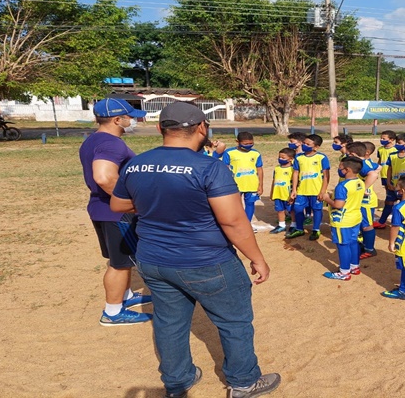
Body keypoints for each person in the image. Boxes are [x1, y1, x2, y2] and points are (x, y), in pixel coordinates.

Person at [110, 101, 280, 398]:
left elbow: (117, 204)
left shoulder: (136, 163)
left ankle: (177, 381)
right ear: (202, 127)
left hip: (153, 260)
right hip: (206, 260)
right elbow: (233, 222)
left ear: (161, 128)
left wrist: (154, 205)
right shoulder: (210, 166)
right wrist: (257, 259)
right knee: (234, 322)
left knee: (169, 322)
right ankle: (243, 383)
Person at [79, 98, 152, 326]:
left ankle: (126, 296)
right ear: (117, 120)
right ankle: (113, 312)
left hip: (102, 209)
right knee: (119, 263)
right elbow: (103, 176)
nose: (133, 120)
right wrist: (131, 203)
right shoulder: (112, 143)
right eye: (129, 116)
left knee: (120, 259)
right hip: (115, 213)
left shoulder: (93, 140)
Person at [321, 157, 366, 280]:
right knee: (353, 242)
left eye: (340, 168)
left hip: (342, 221)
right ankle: (354, 266)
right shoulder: (360, 182)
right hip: (355, 217)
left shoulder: (342, 186)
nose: (339, 170)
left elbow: (338, 205)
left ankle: (344, 272)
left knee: (343, 245)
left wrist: (327, 198)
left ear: (347, 170)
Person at [287, 134, 330, 240]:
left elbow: (326, 175)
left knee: (317, 209)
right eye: (304, 143)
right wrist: (294, 190)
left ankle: (316, 230)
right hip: (302, 190)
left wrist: (323, 191)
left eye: (308, 144)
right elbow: (296, 173)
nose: (304, 145)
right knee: (298, 209)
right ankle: (299, 229)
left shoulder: (322, 157)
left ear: (316, 147)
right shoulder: (299, 157)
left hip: (316, 190)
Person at [223, 132, 264, 229]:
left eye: (251, 143)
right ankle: (238, 224)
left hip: (252, 184)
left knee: (250, 204)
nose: (248, 146)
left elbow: (259, 169)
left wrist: (260, 185)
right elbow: (225, 168)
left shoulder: (256, 153)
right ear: (237, 142)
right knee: (236, 206)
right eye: (245, 144)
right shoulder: (229, 153)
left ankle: (247, 224)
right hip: (235, 185)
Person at [347, 142, 380, 259]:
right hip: (362, 200)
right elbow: (378, 167)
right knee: (362, 224)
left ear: (353, 154)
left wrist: (363, 189)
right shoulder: (364, 162)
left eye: (348, 153)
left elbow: (373, 175)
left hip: (366, 201)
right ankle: (365, 245)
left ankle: (370, 249)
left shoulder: (362, 164)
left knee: (367, 226)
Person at [374, 130, 399, 229]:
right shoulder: (380, 149)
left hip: (392, 175)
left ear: (392, 140)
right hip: (384, 175)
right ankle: (391, 208)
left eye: (384, 138)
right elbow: (380, 161)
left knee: (393, 192)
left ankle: (393, 210)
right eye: (381, 138)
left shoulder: (395, 150)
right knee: (387, 189)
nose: (381, 140)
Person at [270, 147, 296, 234]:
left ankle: (293, 225)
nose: (280, 159)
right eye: (279, 157)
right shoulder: (277, 168)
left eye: (283, 158)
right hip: (278, 194)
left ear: (291, 159)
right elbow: (274, 180)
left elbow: (295, 182)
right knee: (279, 210)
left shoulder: (293, 170)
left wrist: (293, 193)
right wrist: (271, 193)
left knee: (292, 210)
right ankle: (281, 225)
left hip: (287, 194)